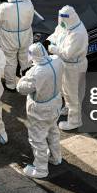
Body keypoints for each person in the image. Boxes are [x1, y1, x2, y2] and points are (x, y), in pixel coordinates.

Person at [17, 43, 64, 178]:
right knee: (53, 131)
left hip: (40, 110)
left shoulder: (36, 72)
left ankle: (41, 169)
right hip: (55, 103)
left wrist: (24, 76)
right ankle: (56, 157)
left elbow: (21, 89)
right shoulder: (57, 61)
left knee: (37, 139)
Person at [47, 5, 88, 131]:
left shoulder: (78, 33)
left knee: (73, 94)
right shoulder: (65, 24)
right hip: (66, 65)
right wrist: (50, 41)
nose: (61, 23)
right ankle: (70, 108)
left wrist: (52, 49)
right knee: (67, 89)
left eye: (63, 21)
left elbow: (68, 54)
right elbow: (56, 33)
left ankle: (75, 120)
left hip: (74, 66)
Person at [0, 0, 34, 91]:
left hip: (9, 38)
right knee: (26, 60)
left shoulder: (4, 8)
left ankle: (10, 85)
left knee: (10, 62)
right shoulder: (28, 4)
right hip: (25, 36)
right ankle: (27, 82)